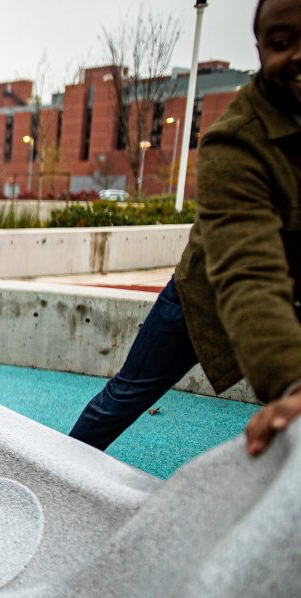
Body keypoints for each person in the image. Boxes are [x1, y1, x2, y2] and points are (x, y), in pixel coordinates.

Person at [69, 0, 301, 455]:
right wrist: (291, 382)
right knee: (124, 397)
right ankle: (53, 474)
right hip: (201, 296)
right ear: (258, 50)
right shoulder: (236, 140)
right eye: (281, 42)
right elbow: (247, 272)